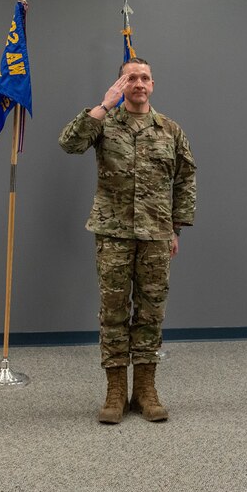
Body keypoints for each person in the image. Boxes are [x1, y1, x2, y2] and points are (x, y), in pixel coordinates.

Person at [58, 57, 196, 424]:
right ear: (120, 84)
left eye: (145, 77)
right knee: (114, 312)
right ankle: (116, 391)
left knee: (151, 312)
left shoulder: (169, 130)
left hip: (155, 235)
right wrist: (103, 105)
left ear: (153, 85)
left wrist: (175, 228)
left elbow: (185, 179)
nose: (139, 83)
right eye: (131, 77)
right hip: (114, 234)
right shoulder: (104, 124)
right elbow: (69, 144)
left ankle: (146, 390)